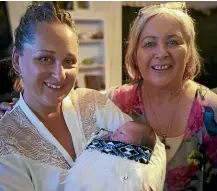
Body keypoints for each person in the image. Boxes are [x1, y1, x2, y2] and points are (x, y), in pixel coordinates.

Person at [0, 2, 166, 191]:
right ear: (16, 60)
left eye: (69, 61)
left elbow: (153, 148)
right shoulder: (6, 142)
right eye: (45, 58)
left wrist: (142, 183)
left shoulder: (93, 102)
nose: (60, 74)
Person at [106, 2, 217, 190]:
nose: (161, 53)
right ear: (135, 55)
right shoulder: (113, 104)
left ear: (189, 51)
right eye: (149, 43)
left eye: (173, 42)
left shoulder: (212, 110)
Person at [64, 121, 163, 191]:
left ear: (136, 146)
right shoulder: (103, 141)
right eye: (117, 129)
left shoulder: (135, 165)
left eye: (121, 133)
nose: (115, 132)